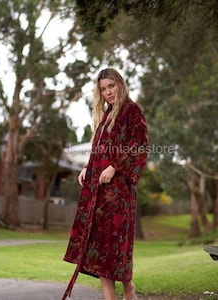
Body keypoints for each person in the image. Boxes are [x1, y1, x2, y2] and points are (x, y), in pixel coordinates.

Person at [62, 68, 148, 300]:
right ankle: (110, 297)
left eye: (111, 86)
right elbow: (100, 151)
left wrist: (115, 167)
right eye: (103, 89)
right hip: (97, 194)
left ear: (120, 84)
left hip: (118, 195)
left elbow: (139, 146)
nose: (108, 92)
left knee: (116, 248)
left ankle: (128, 289)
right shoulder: (105, 116)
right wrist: (88, 168)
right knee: (99, 247)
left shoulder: (132, 111)